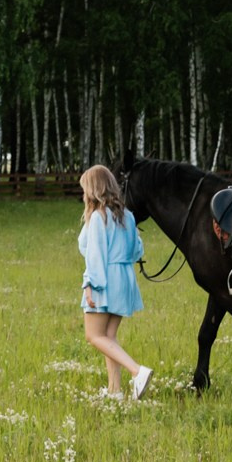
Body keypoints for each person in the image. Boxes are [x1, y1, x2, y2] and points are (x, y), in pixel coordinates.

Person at [77, 164, 152, 399]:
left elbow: (95, 255)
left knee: (94, 336)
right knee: (108, 337)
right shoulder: (127, 216)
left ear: (93, 190)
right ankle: (114, 390)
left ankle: (137, 371)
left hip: (104, 279)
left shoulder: (98, 218)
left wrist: (90, 284)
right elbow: (136, 251)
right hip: (124, 280)